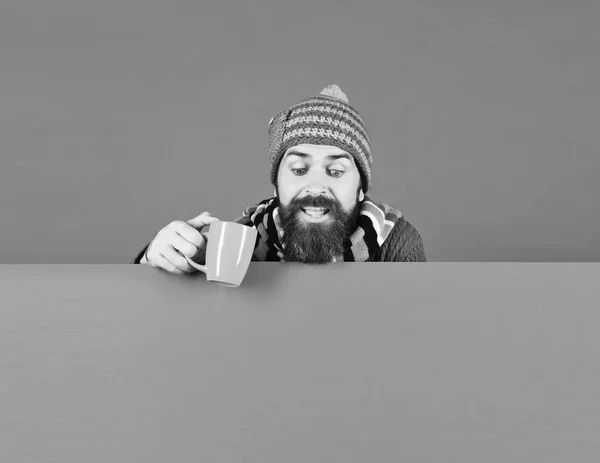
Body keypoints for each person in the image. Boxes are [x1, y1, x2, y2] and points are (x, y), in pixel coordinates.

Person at [131, 84, 426, 273]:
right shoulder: (243, 238)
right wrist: (153, 259)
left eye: (335, 172)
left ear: (361, 188)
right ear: (276, 184)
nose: (316, 186)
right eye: (299, 170)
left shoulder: (397, 242)